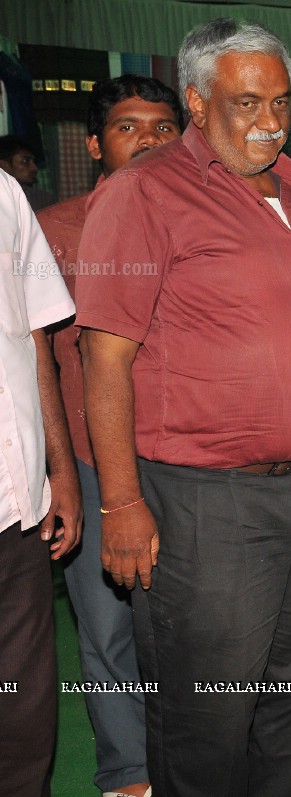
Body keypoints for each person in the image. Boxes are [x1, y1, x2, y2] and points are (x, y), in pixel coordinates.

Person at [75, 18, 291, 797]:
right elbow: (104, 357)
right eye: (246, 103)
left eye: (280, 102)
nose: (269, 121)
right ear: (197, 104)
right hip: (204, 501)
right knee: (209, 710)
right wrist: (123, 502)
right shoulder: (143, 193)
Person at [36, 73, 182, 797]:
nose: (148, 141)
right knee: (108, 624)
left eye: (162, 127)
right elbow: (37, 360)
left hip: (185, 460)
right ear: (94, 143)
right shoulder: (54, 231)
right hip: (94, 462)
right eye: (128, 127)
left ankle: (188, 755)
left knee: (188, 624)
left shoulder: (200, 225)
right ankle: (127, 769)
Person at [0, 169, 79, 797]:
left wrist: (61, 468)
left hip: (15, 498)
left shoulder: (3, 193)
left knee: (24, 697)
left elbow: (36, 337)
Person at [0, 135, 55, 210]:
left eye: (34, 161)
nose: (34, 168)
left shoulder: (43, 199)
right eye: (25, 161)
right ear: (4, 165)